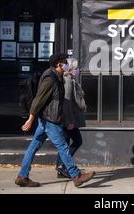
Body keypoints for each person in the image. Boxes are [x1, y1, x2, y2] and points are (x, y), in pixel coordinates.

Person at [15, 53, 95, 187]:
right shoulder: (50, 78)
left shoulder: (56, 76)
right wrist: (30, 119)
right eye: (65, 62)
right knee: (63, 146)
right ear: (59, 65)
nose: (67, 65)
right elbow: (38, 100)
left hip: (47, 119)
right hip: (50, 119)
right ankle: (76, 175)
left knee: (34, 146)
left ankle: (22, 176)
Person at [55, 58, 86, 178]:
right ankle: (62, 166)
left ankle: (61, 168)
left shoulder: (70, 80)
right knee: (76, 141)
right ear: (70, 69)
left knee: (66, 143)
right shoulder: (67, 81)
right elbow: (66, 102)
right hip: (68, 119)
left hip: (68, 119)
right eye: (76, 68)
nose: (77, 70)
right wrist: (70, 121)